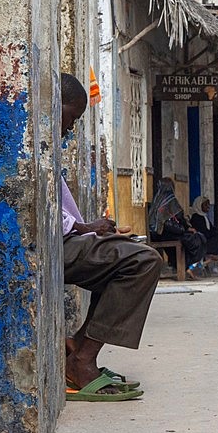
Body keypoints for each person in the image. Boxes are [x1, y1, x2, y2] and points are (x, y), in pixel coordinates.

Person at [60, 72, 162, 401]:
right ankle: (83, 361)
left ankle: (79, 346)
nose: (71, 126)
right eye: (71, 117)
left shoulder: (44, 147)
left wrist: (88, 227)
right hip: (53, 247)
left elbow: (59, 214)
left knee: (131, 254)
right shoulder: (26, 144)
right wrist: (82, 229)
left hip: (65, 240)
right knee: (143, 262)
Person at [149, 177, 208, 280]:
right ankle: (189, 268)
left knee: (188, 239)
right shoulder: (171, 200)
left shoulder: (156, 201)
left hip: (157, 235)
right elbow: (180, 218)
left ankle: (185, 268)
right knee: (197, 238)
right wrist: (187, 229)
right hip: (169, 234)